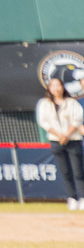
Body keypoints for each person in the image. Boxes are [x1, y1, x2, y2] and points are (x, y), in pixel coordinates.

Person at [36, 76, 84, 210]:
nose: (56, 89)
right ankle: (72, 199)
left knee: (78, 171)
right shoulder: (44, 103)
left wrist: (67, 135)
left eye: (59, 85)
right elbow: (43, 121)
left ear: (63, 87)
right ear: (49, 88)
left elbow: (77, 119)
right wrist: (59, 135)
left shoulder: (71, 102)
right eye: (53, 86)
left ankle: (82, 198)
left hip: (73, 140)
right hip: (56, 141)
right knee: (65, 171)